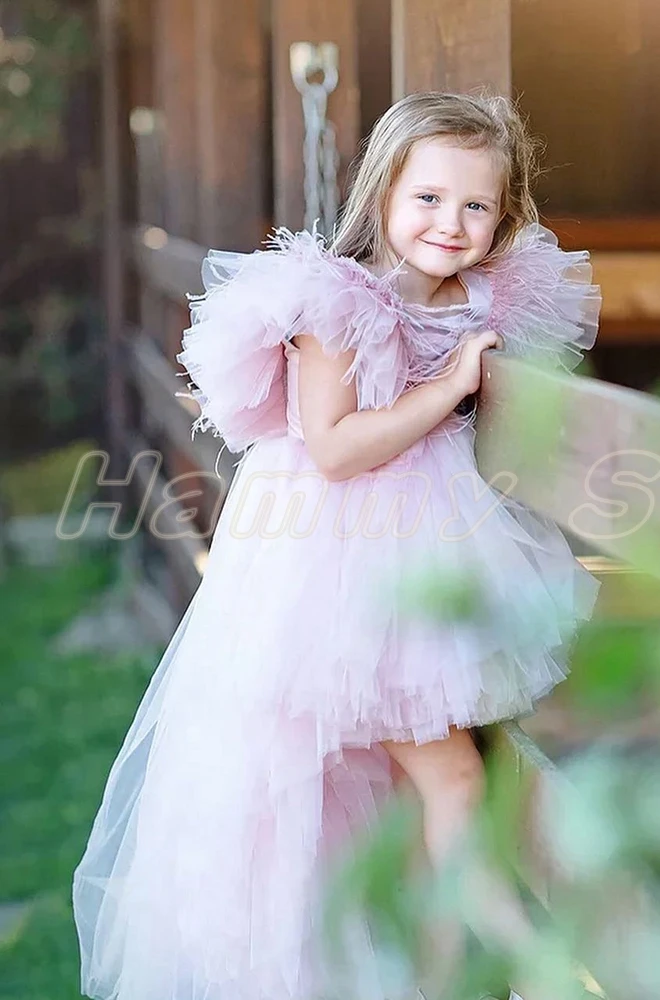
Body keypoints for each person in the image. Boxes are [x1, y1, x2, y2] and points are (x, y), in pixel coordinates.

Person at [73, 90, 601, 1000]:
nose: (451, 223)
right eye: (429, 198)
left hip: (422, 556)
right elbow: (336, 446)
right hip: (338, 567)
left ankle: (449, 967)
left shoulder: (480, 299)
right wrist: (451, 390)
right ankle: (501, 965)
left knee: (431, 784)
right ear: (383, 191)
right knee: (446, 781)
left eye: (477, 206)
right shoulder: (336, 304)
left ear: (505, 217)